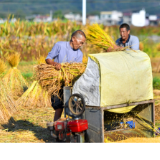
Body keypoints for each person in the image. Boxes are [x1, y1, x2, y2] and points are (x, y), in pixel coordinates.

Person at [46, 30, 86, 122]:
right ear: (73, 39)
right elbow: (48, 59)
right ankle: (56, 128)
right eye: (80, 42)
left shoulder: (79, 54)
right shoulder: (59, 45)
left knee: (73, 106)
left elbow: (76, 69)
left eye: (82, 43)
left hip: (70, 83)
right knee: (58, 107)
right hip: (57, 81)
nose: (81, 45)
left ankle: (71, 125)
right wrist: (55, 64)